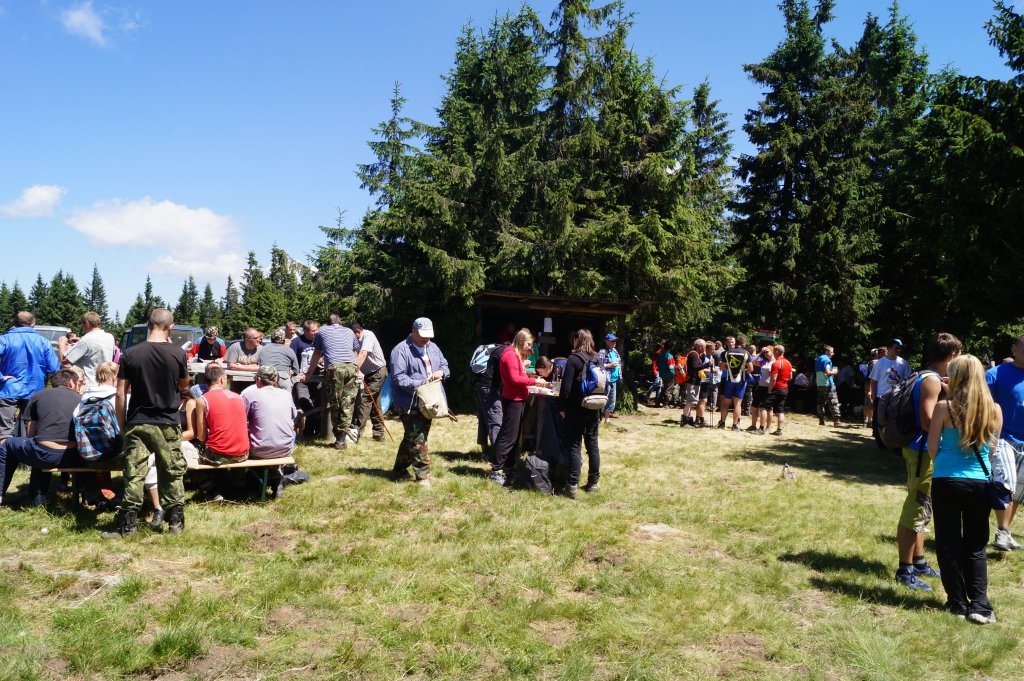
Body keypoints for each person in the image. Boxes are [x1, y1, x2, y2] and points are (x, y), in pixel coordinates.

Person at [928, 354, 1002, 624]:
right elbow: (992, 450)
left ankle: (957, 603)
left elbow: (932, 449)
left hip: (947, 480)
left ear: (956, 376)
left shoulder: (943, 408)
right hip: (980, 482)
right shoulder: (994, 409)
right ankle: (980, 605)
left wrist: (948, 462)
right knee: (976, 545)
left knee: (948, 543)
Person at [105, 309, 190, 538]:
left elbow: (120, 393)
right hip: (168, 422)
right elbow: (184, 385)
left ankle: (127, 527)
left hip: (138, 421)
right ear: (171, 327)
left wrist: (122, 423)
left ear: (147, 324)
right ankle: (175, 524)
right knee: (172, 471)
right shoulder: (178, 353)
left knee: (134, 473)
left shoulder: (130, 353)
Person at [894, 333, 961, 591]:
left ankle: (919, 561)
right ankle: (904, 570)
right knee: (915, 508)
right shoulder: (931, 381)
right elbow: (927, 421)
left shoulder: (925, 376)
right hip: (922, 451)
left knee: (923, 508)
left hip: (921, 450)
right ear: (952, 356)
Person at [0, 367, 85, 506]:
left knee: (7, 445)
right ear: (71, 383)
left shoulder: (38, 395)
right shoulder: (81, 399)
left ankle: (10, 495)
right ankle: (38, 497)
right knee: (38, 445)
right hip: (73, 456)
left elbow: (31, 431)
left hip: (43, 453)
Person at [389, 317, 449, 486]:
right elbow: (399, 378)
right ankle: (423, 477)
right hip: (409, 402)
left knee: (413, 437)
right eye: (423, 335)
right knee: (418, 439)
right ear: (413, 331)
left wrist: (442, 373)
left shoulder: (433, 347)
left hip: (429, 401)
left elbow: (445, 365)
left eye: (429, 335)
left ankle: (399, 470)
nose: (426, 339)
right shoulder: (400, 350)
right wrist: (423, 383)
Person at [489, 329, 550, 486]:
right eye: (529, 344)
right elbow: (515, 379)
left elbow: (520, 376)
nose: (530, 348)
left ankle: (509, 467)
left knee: (515, 437)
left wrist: (530, 379)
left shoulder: (517, 355)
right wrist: (535, 381)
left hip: (518, 399)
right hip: (512, 400)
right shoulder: (510, 355)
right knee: (508, 436)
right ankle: (496, 470)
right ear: (521, 341)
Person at [0, 311, 60, 448]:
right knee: (33, 426)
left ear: (14, 323)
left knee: (4, 431)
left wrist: (1, 377)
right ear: (33, 324)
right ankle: (31, 456)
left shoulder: (4, 339)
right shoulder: (43, 342)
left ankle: (4, 458)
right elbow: (54, 368)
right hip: (35, 390)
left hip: (8, 388)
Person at [987, 333, 1024, 551]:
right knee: (1005, 482)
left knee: (1018, 489)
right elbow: (983, 403)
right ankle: (1002, 530)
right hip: (1002, 438)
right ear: (1014, 349)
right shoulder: (995, 374)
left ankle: (1005, 532)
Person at [302, 314, 358, 449]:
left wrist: (309, 374)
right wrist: (357, 368)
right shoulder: (349, 331)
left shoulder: (322, 331)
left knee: (335, 403)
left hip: (334, 368)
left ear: (327, 323)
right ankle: (342, 438)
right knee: (347, 403)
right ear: (340, 321)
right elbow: (354, 351)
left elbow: (316, 353)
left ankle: (339, 439)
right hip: (351, 367)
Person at [242, 365, 298, 499]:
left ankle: (252, 481)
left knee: (252, 435)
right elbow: (294, 415)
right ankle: (275, 479)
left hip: (259, 450)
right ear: (276, 380)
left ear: (258, 379)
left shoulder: (249, 395)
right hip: (285, 448)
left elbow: (240, 420)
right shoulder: (286, 394)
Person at [559, 329, 601, 497]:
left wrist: (561, 408)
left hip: (576, 409)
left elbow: (566, 388)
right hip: (594, 407)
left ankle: (572, 486)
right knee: (593, 445)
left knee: (575, 445)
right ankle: (593, 483)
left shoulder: (573, 359)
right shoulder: (597, 359)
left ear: (577, 340)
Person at [351, 322, 389, 443]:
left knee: (365, 400)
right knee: (375, 404)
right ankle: (379, 434)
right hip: (369, 374)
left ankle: (356, 434)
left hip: (378, 372)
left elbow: (363, 353)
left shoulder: (368, 335)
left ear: (357, 332)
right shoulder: (356, 340)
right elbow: (354, 354)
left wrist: (354, 370)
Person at [58, 311, 115, 387]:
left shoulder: (86, 340)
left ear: (87, 323)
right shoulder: (109, 337)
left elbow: (64, 361)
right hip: (106, 383)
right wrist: (79, 343)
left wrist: (61, 344)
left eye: (82, 323)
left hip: (89, 385)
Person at [870, 340, 910, 441]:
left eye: (900, 348)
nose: (898, 350)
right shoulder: (880, 363)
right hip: (881, 396)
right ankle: (880, 441)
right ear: (888, 349)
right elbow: (874, 381)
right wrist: (874, 397)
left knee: (895, 420)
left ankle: (894, 441)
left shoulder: (903, 363)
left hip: (897, 397)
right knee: (879, 420)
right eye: (896, 348)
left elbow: (908, 381)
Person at [717, 336, 750, 431]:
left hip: (729, 379)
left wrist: (729, 368)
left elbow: (721, 367)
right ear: (743, 343)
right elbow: (751, 368)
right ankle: (735, 425)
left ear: (736, 342)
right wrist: (743, 371)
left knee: (726, 403)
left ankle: (722, 423)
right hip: (741, 380)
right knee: (737, 404)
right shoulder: (746, 353)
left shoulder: (726, 353)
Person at [291, 320, 320, 413]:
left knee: (319, 402)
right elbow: (291, 357)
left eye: (317, 330)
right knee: (303, 400)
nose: (316, 332)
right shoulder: (296, 342)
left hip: (318, 376)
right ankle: (312, 416)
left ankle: (314, 419)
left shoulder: (321, 341)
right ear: (305, 331)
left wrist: (321, 359)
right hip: (302, 377)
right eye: (313, 331)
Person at [764, 345, 793, 436]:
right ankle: (779, 430)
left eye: (774, 351)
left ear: (777, 352)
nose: (773, 352)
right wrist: (784, 380)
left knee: (764, 407)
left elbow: (773, 379)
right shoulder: (788, 363)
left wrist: (769, 390)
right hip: (785, 388)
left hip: (777, 388)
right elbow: (790, 377)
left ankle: (763, 428)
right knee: (780, 410)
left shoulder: (776, 363)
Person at [748, 346, 775, 433]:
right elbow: (753, 362)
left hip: (769, 387)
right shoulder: (764, 361)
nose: (765, 353)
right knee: (754, 406)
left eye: (767, 352)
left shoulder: (775, 362)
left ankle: (766, 427)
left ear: (772, 352)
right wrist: (760, 353)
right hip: (761, 386)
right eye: (765, 352)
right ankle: (753, 425)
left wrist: (771, 389)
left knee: (767, 408)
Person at [680, 339, 706, 427]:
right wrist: (708, 364)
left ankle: (688, 420)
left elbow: (697, 365)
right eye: (704, 346)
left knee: (692, 401)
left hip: (695, 381)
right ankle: (685, 421)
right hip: (692, 381)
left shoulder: (696, 354)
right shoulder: (694, 354)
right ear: (700, 346)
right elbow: (695, 367)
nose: (705, 348)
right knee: (690, 401)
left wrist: (702, 357)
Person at [814, 345, 841, 428]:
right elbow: (828, 372)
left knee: (820, 403)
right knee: (833, 402)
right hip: (828, 384)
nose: (833, 354)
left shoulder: (818, 359)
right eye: (832, 352)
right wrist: (835, 371)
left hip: (819, 384)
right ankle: (837, 421)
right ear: (826, 352)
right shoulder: (826, 360)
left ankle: (821, 420)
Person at [598, 334, 622, 423]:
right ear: (607, 341)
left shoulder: (615, 351)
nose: (614, 343)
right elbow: (599, 365)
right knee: (602, 399)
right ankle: (599, 418)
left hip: (614, 379)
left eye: (615, 341)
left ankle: (607, 419)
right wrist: (609, 365)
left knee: (611, 400)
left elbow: (619, 363)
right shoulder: (602, 352)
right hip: (606, 379)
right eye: (612, 341)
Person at [656, 342, 675, 407]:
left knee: (664, 388)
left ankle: (658, 401)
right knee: (668, 388)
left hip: (662, 374)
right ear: (670, 348)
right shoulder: (669, 356)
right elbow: (671, 367)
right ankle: (665, 403)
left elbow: (658, 364)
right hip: (669, 374)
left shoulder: (660, 355)